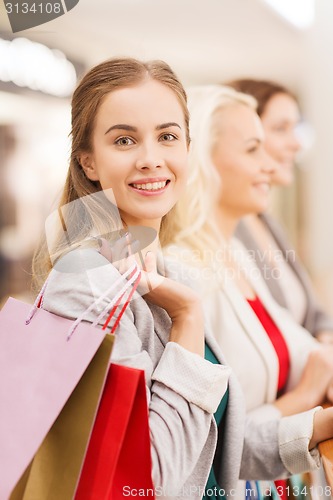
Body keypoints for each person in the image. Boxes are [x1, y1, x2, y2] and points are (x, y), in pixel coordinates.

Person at [31, 58, 243, 500]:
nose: (151, 159)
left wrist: (308, 431)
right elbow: (148, 478)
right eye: (124, 140)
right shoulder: (83, 282)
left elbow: (209, 441)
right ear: (88, 161)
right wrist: (187, 317)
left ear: (187, 147)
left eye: (167, 136)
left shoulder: (171, 271)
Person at [164, 84, 333, 499]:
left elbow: (309, 350)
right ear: (205, 159)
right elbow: (210, 441)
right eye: (253, 149)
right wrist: (306, 396)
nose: (271, 165)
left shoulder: (235, 252)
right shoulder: (180, 271)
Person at [226, 79, 333, 342]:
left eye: (295, 128)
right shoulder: (222, 230)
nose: (296, 143)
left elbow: (313, 312)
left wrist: (325, 344)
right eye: (281, 128)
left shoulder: (265, 219)